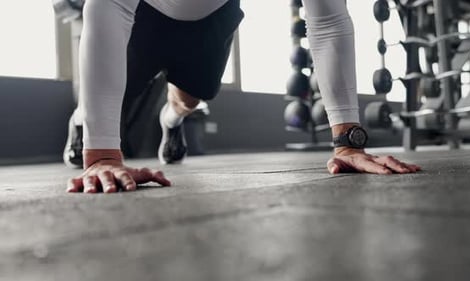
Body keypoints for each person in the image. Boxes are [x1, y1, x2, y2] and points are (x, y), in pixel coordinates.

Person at [66, 0, 421, 193]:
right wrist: (102, 155)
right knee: (111, 100)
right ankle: (81, 120)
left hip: (210, 16)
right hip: (137, 11)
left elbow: (327, 21)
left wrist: (348, 145)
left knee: (186, 101)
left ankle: (170, 121)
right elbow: (106, 5)